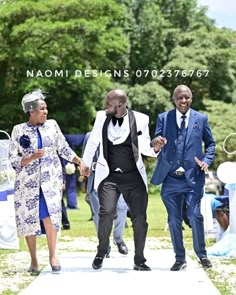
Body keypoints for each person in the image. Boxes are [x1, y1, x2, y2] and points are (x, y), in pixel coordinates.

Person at [9, 89, 86, 273]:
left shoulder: (52, 125)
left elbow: (64, 148)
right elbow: (12, 159)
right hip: (28, 184)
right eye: (42, 109)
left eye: (46, 108)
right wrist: (31, 157)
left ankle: (53, 256)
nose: (46, 112)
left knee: (50, 217)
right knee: (29, 220)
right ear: (31, 111)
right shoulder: (19, 130)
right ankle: (34, 260)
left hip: (50, 181)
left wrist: (79, 161)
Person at [82, 89, 158, 271]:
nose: (105, 107)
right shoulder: (101, 117)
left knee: (140, 218)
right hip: (109, 175)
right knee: (106, 212)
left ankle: (139, 259)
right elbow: (93, 141)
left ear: (121, 105)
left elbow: (146, 148)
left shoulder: (141, 119)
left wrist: (156, 148)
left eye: (109, 104)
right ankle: (101, 251)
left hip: (133, 175)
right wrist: (84, 163)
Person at [151, 84, 216, 271]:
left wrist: (206, 160)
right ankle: (180, 258)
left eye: (186, 97)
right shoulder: (164, 118)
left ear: (191, 98)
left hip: (193, 178)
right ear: (174, 99)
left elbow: (210, 144)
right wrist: (157, 143)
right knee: (173, 219)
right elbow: (156, 142)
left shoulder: (201, 119)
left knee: (195, 215)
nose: (183, 100)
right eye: (179, 97)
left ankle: (202, 255)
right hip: (170, 178)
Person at [83, 132, 128, 256]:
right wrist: (94, 165)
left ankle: (118, 239)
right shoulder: (89, 136)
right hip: (96, 181)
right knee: (99, 214)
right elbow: (84, 161)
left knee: (121, 208)